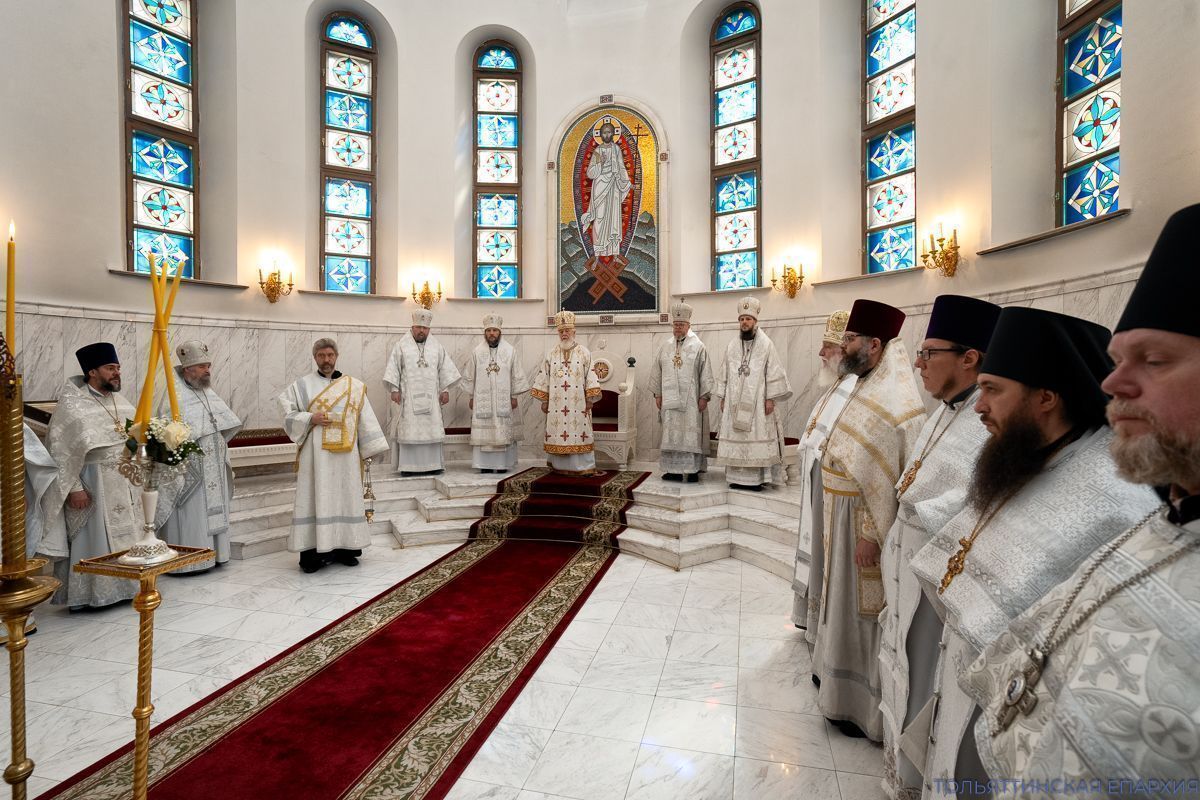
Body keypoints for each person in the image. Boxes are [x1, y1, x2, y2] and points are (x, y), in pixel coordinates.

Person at [958, 204, 1200, 794]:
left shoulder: (1123, 503)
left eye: (1154, 360)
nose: (1111, 384)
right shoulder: (1167, 520)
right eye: (1115, 362)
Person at [908, 307, 1160, 796]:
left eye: (993, 389)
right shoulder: (1021, 458)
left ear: (1046, 397)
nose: (978, 406)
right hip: (960, 679)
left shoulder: (1117, 499)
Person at [877, 295, 1000, 799]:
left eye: (929, 353)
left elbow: (976, 496)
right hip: (906, 569)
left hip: (935, 585)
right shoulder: (941, 413)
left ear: (969, 358)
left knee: (924, 674)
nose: (918, 364)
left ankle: (914, 779)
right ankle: (899, 768)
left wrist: (916, 515)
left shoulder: (986, 421)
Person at [811, 299, 926, 741]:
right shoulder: (865, 383)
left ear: (875, 344)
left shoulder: (894, 401)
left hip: (862, 526)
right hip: (839, 518)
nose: (843, 346)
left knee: (860, 614)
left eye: (850, 339)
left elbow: (891, 479)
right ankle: (835, 687)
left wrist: (870, 535)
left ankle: (857, 704)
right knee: (839, 606)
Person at [44, 343, 143, 609]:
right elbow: (59, 452)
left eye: (118, 368)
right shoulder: (72, 406)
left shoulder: (121, 402)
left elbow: (134, 439)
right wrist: (74, 488)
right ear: (92, 372)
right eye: (110, 368)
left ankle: (127, 587)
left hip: (124, 482)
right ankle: (91, 595)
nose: (117, 373)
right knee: (95, 539)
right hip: (93, 484)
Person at [279, 338, 388, 573]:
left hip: (346, 459)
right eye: (321, 355)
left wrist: (371, 447)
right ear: (315, 358)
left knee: (345, 497)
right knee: (315, 498)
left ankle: (346, 550)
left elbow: (364, 417)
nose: (326, 360)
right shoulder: (302, 386)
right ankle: (312, 556)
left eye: (330, 355)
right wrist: (310, 418)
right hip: (315, 458)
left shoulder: (354, 386)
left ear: (336, 356)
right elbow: (287, 413)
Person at [792, 310, 854, 633]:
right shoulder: (837, 384)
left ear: (843, 352)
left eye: (827, 347)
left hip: (832, 491)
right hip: (818, 485)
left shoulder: (853, 389)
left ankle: (820, 624)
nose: (820, 353)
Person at [158, 340, 242, 573]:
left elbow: (223, 422)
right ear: (188, 369)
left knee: (213, 511)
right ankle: (189, 562)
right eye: (202, 366)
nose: (207, 371)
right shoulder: (173, 396)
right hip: (191, 469)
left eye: (208, 366)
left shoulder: (207, 392)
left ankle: (217, 555)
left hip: (213, 462)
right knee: (193, 513)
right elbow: (167, 434)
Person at [712, 297, 792, 491]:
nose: (744, 323)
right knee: (738, 438)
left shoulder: (766, 344)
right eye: (741, 319)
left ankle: (756, 479)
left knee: (755, 437)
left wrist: (770, 398)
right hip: (734, 402)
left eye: (748, 319)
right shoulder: (732, 345)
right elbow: (724, 371)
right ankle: (736, 478)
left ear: (755, 321)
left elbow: (773, 371)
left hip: (758, 404)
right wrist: (722, 396)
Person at [0, 424, 66, 639]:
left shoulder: (6, 417)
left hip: (4, 495)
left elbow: (22, 451)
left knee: (6, 553)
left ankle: (12, 613)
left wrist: (18, 491)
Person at [384, 309, 461, 475]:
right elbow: (394, 368)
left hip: (432, 399)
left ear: (429, 329)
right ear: (412, 327)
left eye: (424, 328)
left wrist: (445, 389)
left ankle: (433, 465)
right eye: (418, 327)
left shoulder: (436, 347)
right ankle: (409, 467)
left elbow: (443, 369)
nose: (421, 331)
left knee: (431, 429)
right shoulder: (401, 346)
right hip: (408, 400)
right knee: (410, 429)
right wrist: (394, 389)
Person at [648, 300, 713, 483]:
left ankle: (692, 470)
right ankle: (673, 470)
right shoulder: (666, 346)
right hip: (669, 401)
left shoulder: (698, 346)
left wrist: (704, 396)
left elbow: (706, 372)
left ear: (688, 325)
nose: (677, 328)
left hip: (691, 402)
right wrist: (658, 394)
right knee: (671, 434)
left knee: (690, 435)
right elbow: (657, 370)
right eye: (675, 324)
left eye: (681, 324)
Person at [531, 310, 601, 473]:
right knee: (557, 432)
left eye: (567, 331)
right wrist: (544, 400)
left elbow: (590, 375)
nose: (564, 334)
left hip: (578, 403)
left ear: (573, 332)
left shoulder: (584, 352)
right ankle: (559, 466)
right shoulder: (551, 353)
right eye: (561, 331)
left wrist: (590, 399)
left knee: (579, 431)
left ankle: (582, 466)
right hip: (556, 404)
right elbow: (544, 376)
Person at [460, 314, 529, 474]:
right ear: (485, 332)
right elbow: (471, 375)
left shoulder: (510, 351)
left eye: (495, 330)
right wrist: (471, 397)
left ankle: (503, 464)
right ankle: (484, 464)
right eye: (489, 330)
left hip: (504, 400)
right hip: (483, 400)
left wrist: (514, 396)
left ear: (500, 332)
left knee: (503, 431)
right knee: (485, 433)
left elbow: (516, 374)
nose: (492, 333)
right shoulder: (477, 352)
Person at [579, 121, 632, 257]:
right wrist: (600, 163)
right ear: (601, 135)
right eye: (604, 132)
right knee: (600, 218)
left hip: (614, 186)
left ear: (613, 134)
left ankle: (614, 254)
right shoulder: (597, 151)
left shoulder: (616, 149)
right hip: (600, 187)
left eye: (609, 132)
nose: (607, 135)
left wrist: (626, 182)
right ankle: (597, 254)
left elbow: (621, 167)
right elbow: (590, 173)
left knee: (613, 219)